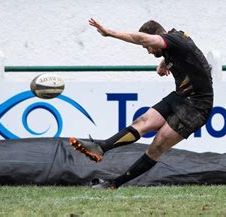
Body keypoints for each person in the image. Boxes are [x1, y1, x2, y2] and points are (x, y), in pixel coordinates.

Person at [69, 18, 213, 189]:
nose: (148, 51)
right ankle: (100, 147)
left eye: (148, 47)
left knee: (157, 145)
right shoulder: (174, 40)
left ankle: (115, 184)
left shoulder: (173, 40)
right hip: (181, 96)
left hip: (197, 106)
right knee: (143, 121)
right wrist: (163, 63)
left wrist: (109, 33)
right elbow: (185, 53)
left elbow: (142, 39)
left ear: (154, 37)